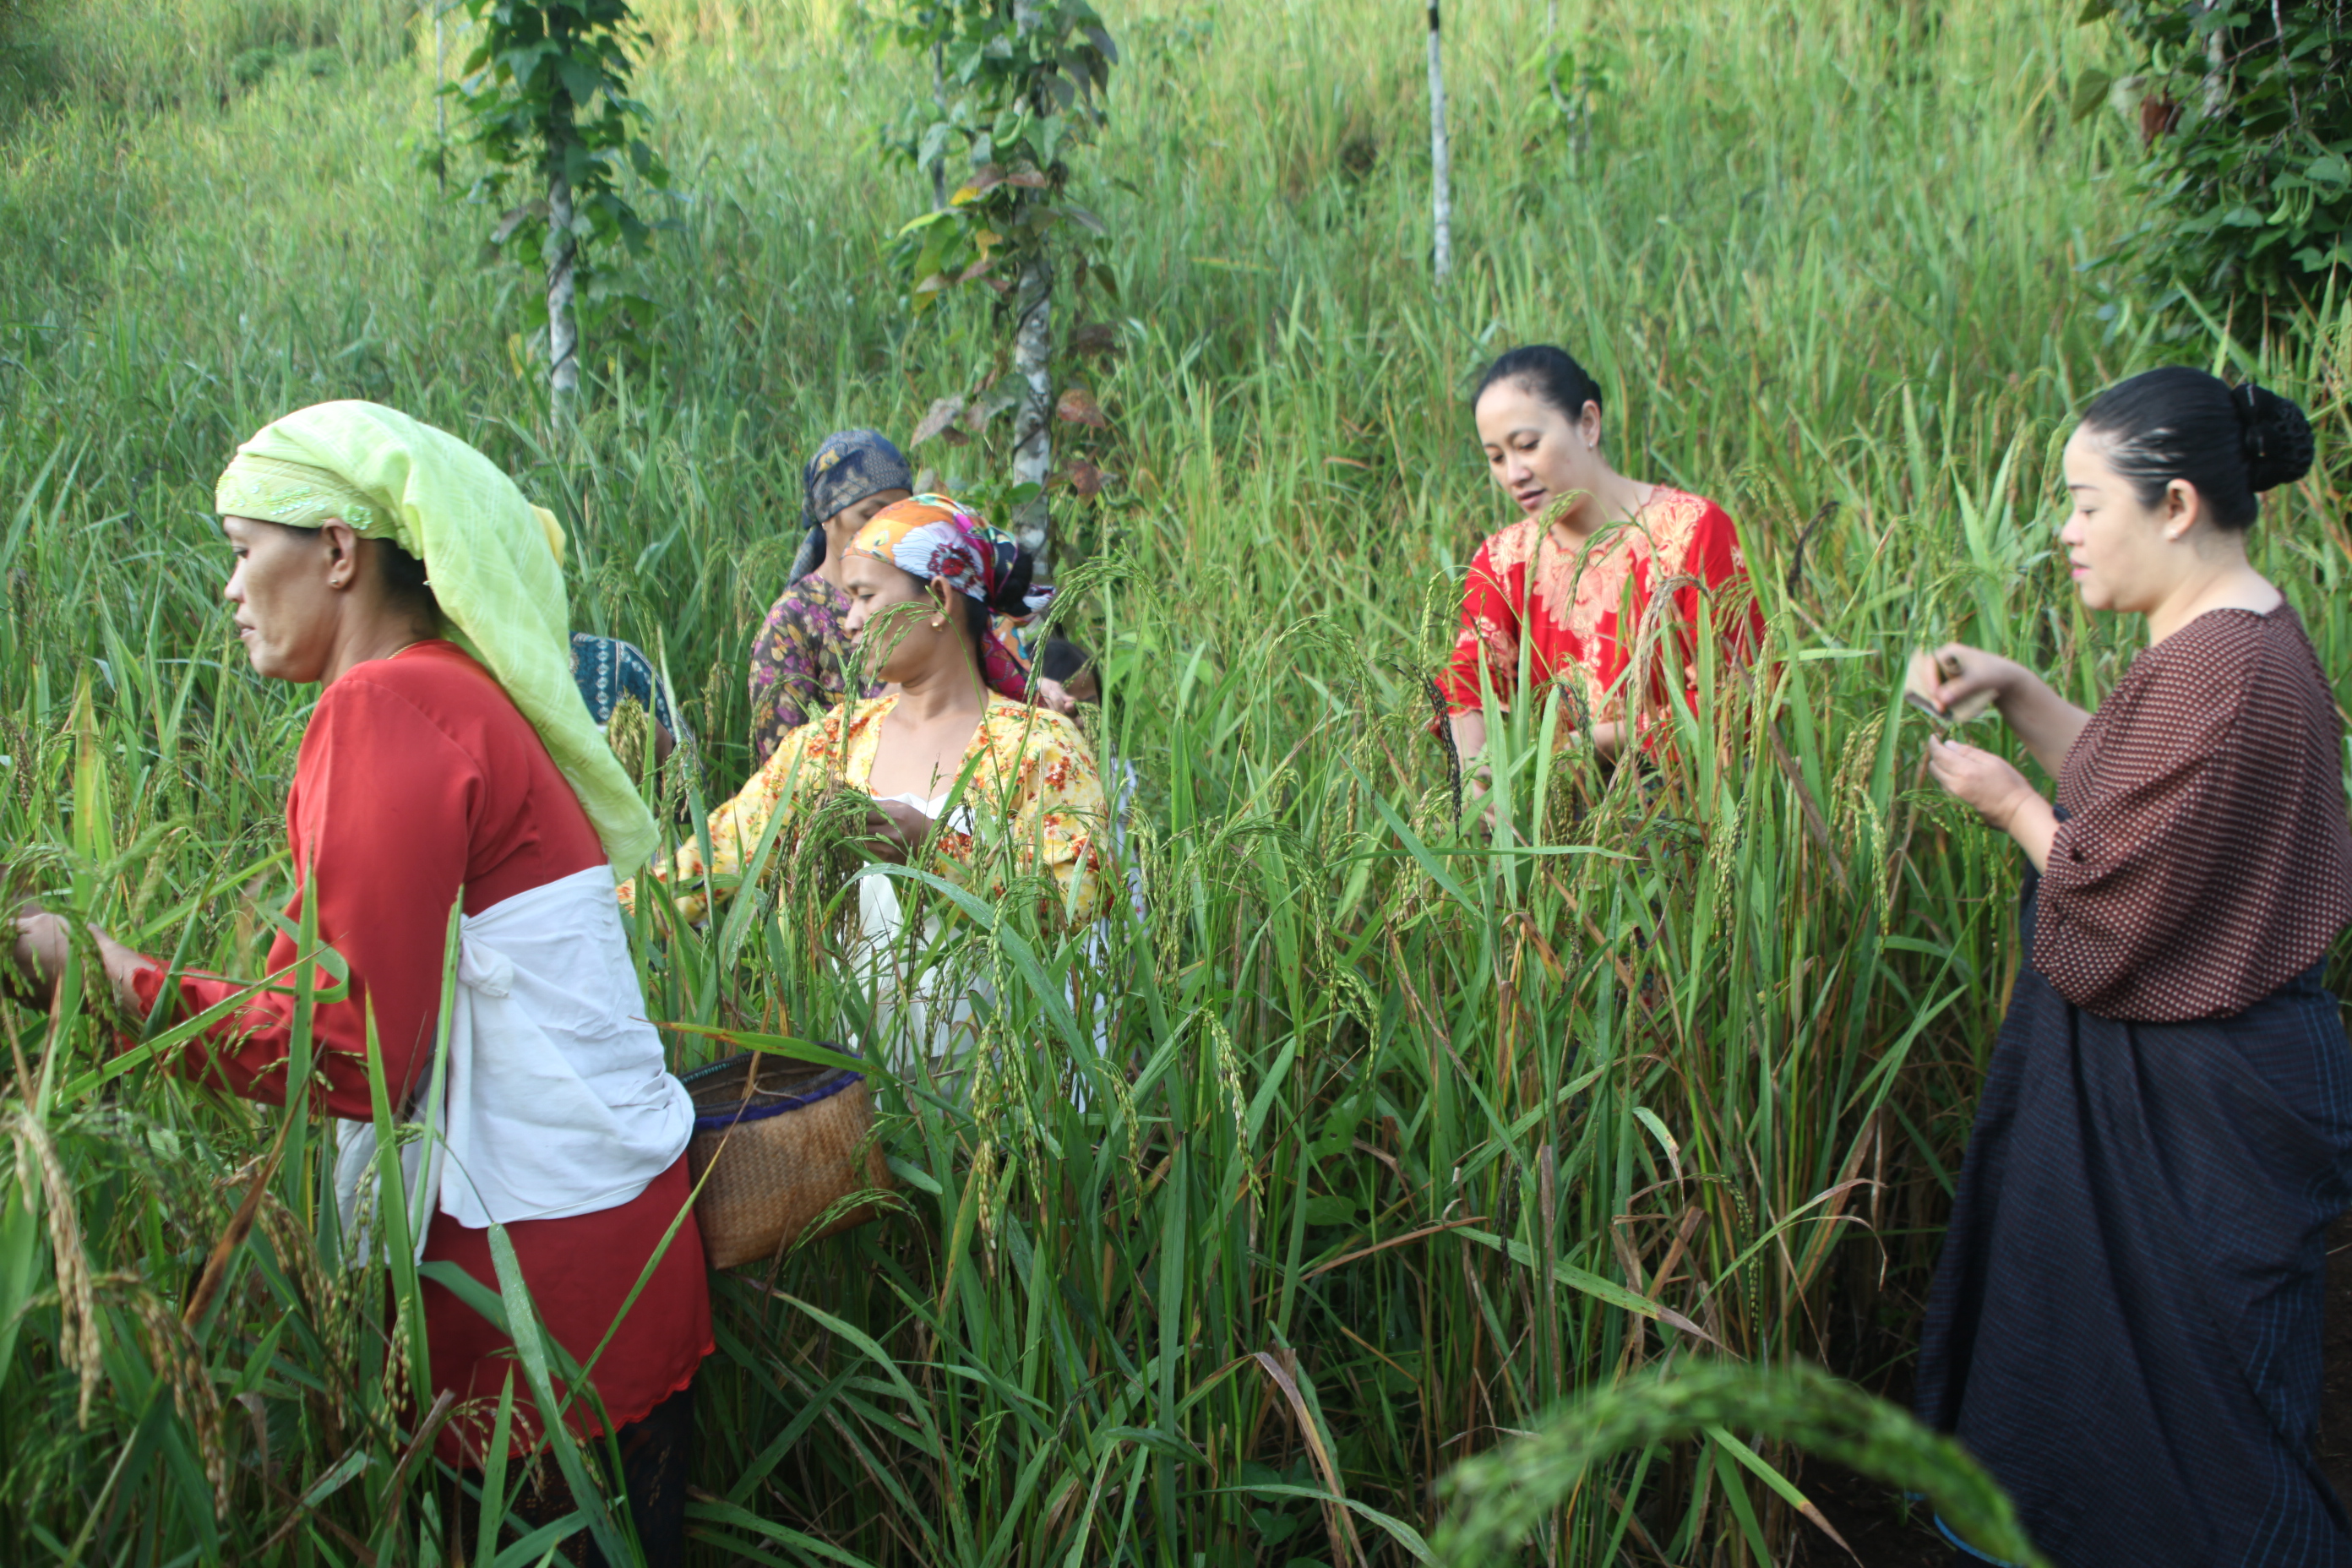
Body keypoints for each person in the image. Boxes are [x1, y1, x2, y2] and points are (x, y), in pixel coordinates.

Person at [8, 401, 710, 1567]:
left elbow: (349, 1054)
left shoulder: (387, 708)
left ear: (339, 550)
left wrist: (103, 975)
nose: (230, 590)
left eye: (242, 552)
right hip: (615, 1260)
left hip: (530, 1309)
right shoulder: (463, 697)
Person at [1914, 368, 2346, 1568]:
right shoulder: (2227, 638)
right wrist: (2021, 695)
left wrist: (2005, 804)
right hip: (2180, 1076)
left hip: (2203, 1097)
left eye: (2084, 502)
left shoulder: (2225, 670)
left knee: (2208, 1419)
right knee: (2129, 1391)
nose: (2064, 529)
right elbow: (2136, 794)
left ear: (2175, 506)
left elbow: (2114, 888)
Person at [630, 494, 1107, 1072]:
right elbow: (717, 856)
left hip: (1000, 1093)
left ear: (938, 599)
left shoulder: (1039, 748)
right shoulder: (832, 744)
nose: (848, 621)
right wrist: (600, 918)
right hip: (849, 1082)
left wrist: (932, 846)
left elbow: (1071, 909)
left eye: (864, 597)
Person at [1439, 345, 1761, 769]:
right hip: (1550, 819)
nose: (1513, 474)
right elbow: (1467, 688)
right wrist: (1479, 789)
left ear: (1588, 423)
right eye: (1497, 458)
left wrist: (1588, 744)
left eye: (1528, 445)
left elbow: (1738, 700)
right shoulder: (1503, 560)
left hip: (1683, 808)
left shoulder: (1694, 530)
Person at [747, 428, 1075, 764]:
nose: (883, 527)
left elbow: (984, 684)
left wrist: (1035, 692)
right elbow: (782, 772)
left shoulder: (944, 594)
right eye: (869, 514)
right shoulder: (793, 620)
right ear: (827, 516)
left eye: (897, 512)